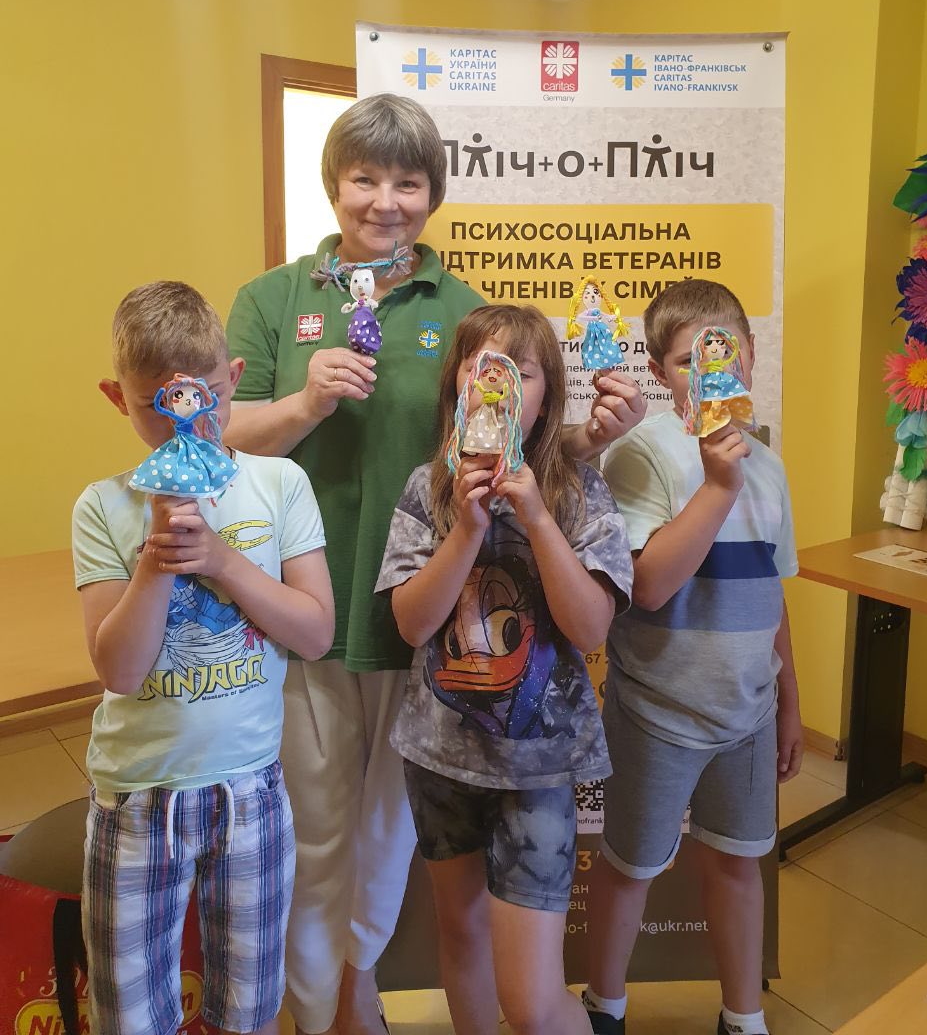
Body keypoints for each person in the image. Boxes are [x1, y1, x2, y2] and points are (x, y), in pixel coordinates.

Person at [224, 94, 646, 1035]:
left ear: (433, 193)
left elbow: (518, 441)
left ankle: (358, 989)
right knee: (314, 828)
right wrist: (301, 405)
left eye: (408, 182)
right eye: (364, 178)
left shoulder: (461, 311)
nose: (385, 201)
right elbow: (215, 435)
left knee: (385, 837)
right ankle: (315, 1007)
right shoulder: (272, 299)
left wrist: (593, 438)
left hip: (421, 627)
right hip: (299, 607)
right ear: (333, 184)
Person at [72, 280, 334, 1035]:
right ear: (118, 399)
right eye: (159, 405)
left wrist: (221, 560)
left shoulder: (279, 483)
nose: (187, 420)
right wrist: (156, 559)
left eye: (206, 397)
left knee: (248, 1007)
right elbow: (120, 671)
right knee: (131, 1013)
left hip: (251, 789)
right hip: (137, 797)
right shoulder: (103, 506)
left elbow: (315, 632)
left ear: (234, 380)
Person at [376, 304, 635, 1035]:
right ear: (456, 388)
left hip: (539, 768)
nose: (496, 384)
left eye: (518, 371)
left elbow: (590, 628)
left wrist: (538, 518)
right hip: (440, 757)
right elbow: (412, 623)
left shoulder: (580, 491)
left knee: (531, 1001)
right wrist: (466, 528)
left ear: (544, 398)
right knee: (461, 938)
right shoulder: (426, 489)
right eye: (479, 367)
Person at [583, 279, 803, 1035]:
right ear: (658, 371)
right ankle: (605, 1005)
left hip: (748, 715)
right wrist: (717, 485)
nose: (711, 370)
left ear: (751, 354)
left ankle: (744, 1016)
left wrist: (791, 703)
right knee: (631, 866)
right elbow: (646, 586)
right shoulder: (642, 453)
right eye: (688, 360)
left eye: (725, 352)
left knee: (739, 863)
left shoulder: (769, 465)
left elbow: (773, 596)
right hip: (656, 713)